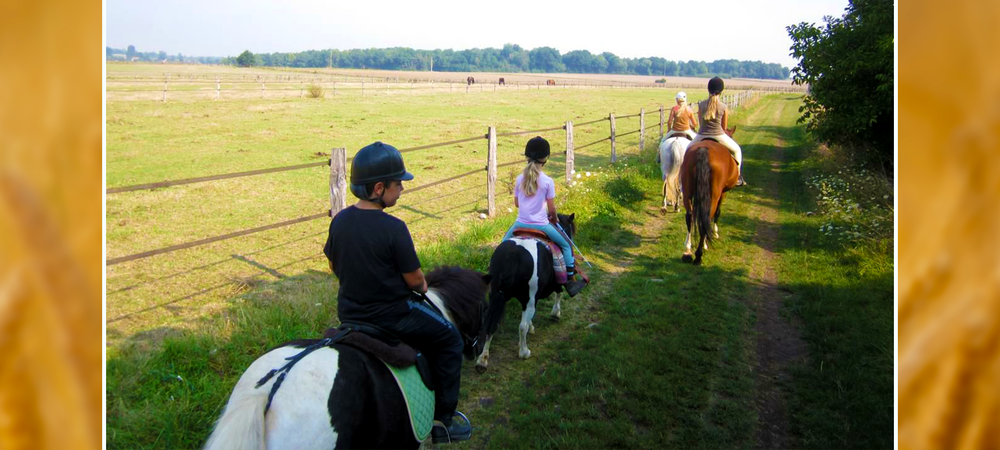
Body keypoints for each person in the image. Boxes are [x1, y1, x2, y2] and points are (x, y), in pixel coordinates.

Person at [323, 141, 472, 444]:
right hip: (394, 316)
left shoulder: (339, 221)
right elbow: (416, 281)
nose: (402, 189)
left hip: (350, 314)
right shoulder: (394, 228)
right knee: (451, 340)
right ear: (379, 188)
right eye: (398, 184)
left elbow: (333, 264)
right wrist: (422, 286)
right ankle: (442, 422)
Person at [500, 136, 587, 296]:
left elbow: (517, 204)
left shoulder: (520, 178)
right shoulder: (547, 181)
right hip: (541, 224)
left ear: (526, 156)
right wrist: (553, 218)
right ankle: (569, 281)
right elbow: (552, 210)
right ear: (545, 158)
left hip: (519, 224)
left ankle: (495, 276)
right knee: (567, 245)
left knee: (501, 246)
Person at [689, 77, 746, 186]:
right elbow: (724, 127)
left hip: (701, 135)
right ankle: (738, 177)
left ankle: (683, 178)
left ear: (708, 89)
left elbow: (701, 123)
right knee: (737, 150)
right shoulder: (723, 107)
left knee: (687, 151)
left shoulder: (701, 105)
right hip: (719, 135)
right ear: (721, 90)